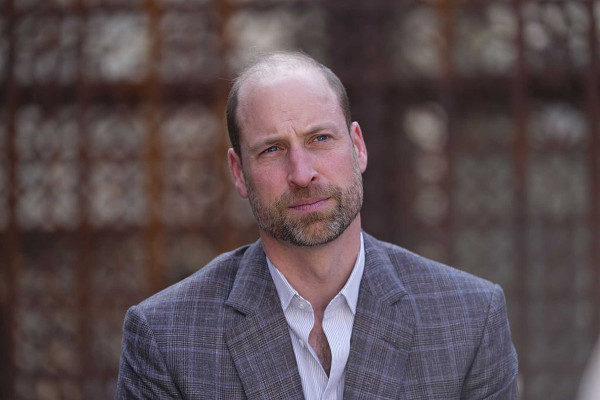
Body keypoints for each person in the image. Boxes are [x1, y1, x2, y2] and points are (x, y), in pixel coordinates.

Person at [116, 51, 518, 399]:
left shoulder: (470, 320)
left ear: (358, 147)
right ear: (238, 173)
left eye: (320, 139)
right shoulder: (166, 337)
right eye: (272, 149)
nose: (302, 173)